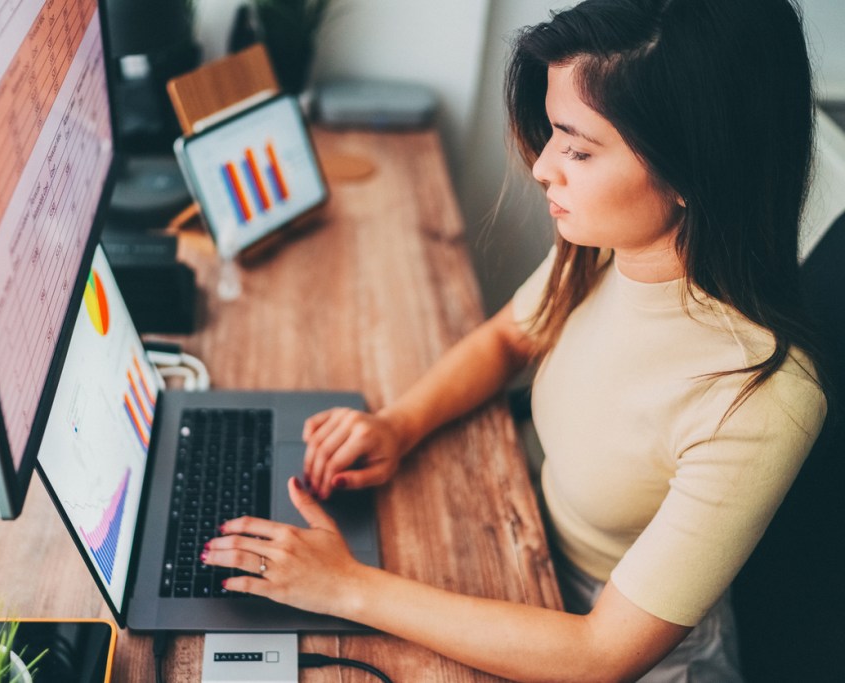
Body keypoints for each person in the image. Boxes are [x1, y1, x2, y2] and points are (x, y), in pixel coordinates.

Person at [202, 0, 828, 679]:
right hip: (527, 547)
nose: (543, 167)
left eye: (579, 148)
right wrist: (396, 423)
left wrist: (346, 587)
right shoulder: (611, 250)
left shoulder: (761, 400)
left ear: (690, 169)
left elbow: (599, 653)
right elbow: (508, 338)